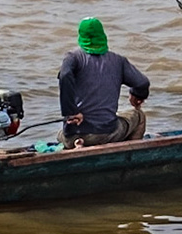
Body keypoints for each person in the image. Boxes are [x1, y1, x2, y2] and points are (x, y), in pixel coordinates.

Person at [58, 17, 150, 148]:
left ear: (81, 36)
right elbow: (142, 83)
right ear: (103, 36)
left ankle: (78, 143)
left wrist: (71, 112)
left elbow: (65, 75)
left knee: (60, 135)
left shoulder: (72, 58)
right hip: (106, 134)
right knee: (138, 116)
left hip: (72, 135)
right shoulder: (118, 61)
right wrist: (137, 96)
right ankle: (129, 153)